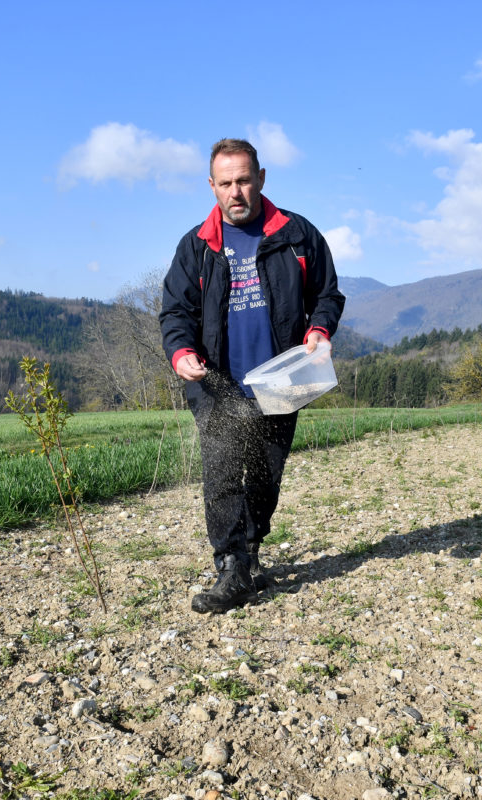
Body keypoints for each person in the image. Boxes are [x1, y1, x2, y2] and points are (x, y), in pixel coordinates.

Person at [160, 138, 345, 614]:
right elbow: (175, 312)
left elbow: (327, 294)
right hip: (217, 383)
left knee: (265, 477)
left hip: (283, 381)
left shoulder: (298, 234)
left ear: (261, 178)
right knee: (221, 474)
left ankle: (251, 550)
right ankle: (231, 567)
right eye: (225, 183)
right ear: (211, 186)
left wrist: (320, 329)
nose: (235, 192)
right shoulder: (196, 247)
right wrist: (180, 353)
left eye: (244, 180)